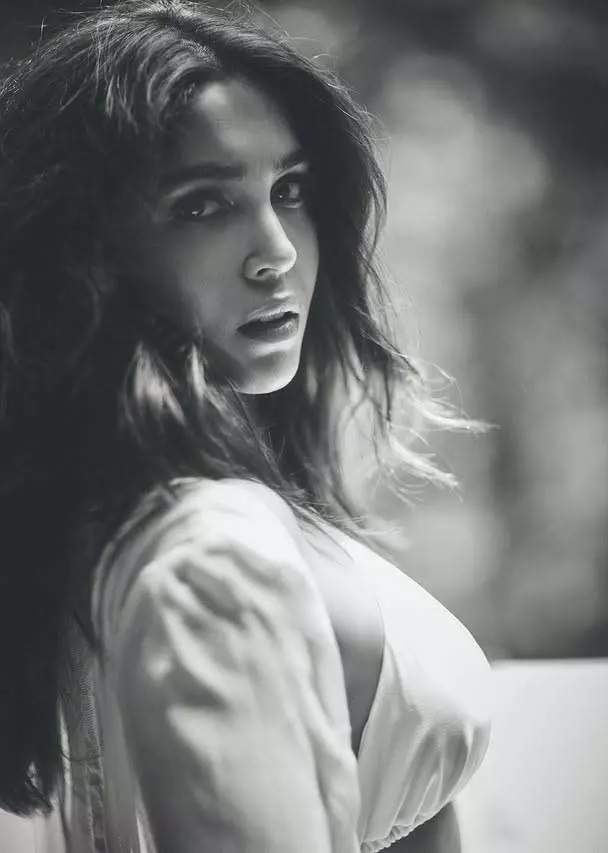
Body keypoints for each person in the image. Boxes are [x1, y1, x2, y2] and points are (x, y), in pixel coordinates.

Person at [0, 1, 492, 851]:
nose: (278, 251)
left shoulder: (156, 513)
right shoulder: (207, 557)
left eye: (289, 190)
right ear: (86, 250)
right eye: (203, 205)